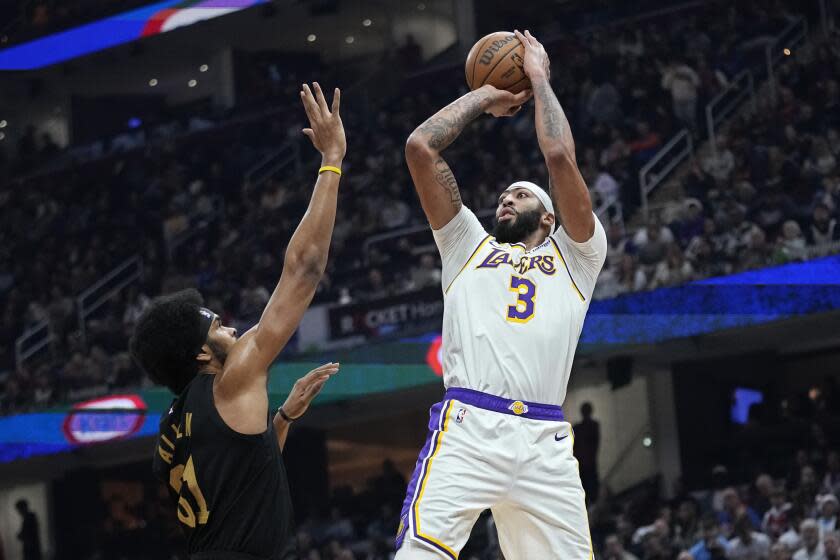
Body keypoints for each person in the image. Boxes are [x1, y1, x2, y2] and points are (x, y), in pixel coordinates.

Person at [396, 29, 607, 559]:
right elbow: (420, 148)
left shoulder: (577, 258)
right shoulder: (466, 244)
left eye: (519, 193)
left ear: (550, 215)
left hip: (544, 441)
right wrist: (485, 97)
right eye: (502, 194)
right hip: (469, 426)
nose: (504, 198)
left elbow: (560, 157)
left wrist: (537, 76)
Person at [130, 82, 346, 559]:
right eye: (216, 325)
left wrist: (284, 418)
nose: (229, 325)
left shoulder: (170, 432)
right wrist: (331, 160)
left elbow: (243, 480)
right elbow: (304, 269)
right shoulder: (232, 379)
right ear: (202, 354)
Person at [573, 401, 601, 501]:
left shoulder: (579, 428)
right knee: (589, 487)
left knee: (588, 488)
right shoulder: (591, 426)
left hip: (586, 462)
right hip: (587, 462)